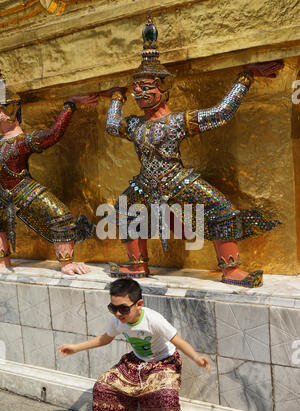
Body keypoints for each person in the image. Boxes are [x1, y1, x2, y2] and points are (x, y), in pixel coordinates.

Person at [99, 16, 283, 288]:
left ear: (163, 89)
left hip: (176, 179)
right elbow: (112, 125)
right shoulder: (135, 124)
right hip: (144, 182)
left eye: (146, 88)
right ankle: (138, 264)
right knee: (124, 211)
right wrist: (117, 96)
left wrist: (245, 76)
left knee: (222, 209)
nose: (139, 95)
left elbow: (222, 112)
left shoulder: (178, 121)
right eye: (136, 90)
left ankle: (231, 269)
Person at [58, 278, 210, 411]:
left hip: (164, 362)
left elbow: (178, 341)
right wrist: (75, 348)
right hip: (136, 362)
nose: (117, 313)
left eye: (123, 308)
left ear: (139, 304)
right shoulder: (118, 321)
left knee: (163, 395)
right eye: (112, 308)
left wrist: (197, 358)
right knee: (103, 385)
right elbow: (104, 339)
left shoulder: (153, 319)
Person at [0, 73, 98, 274]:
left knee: (60, 216)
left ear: (9, 112)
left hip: (21, 188)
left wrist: (69, 105)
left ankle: (66, 262)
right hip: (1, 194)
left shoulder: (23, 141)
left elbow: (54, 133)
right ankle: (2, 262)